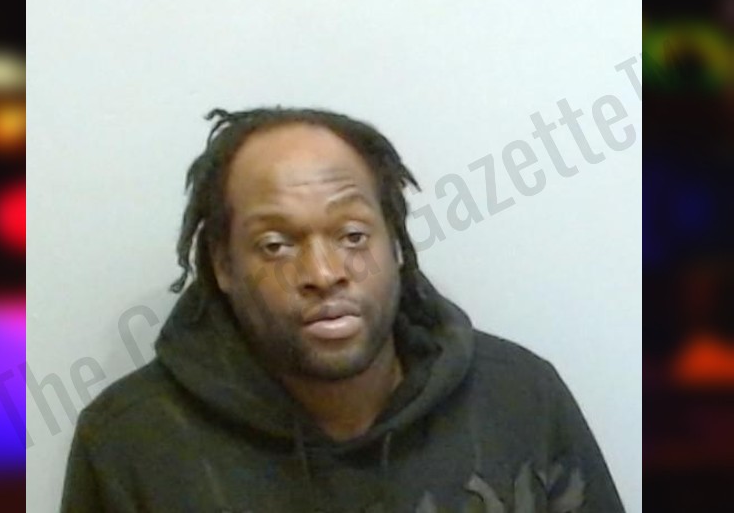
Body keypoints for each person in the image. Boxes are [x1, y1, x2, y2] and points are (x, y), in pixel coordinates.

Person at [61, 107, 625, 512]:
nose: (324, 272)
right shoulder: (131, 442)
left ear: (395, 243)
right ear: (222, 265)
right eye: (276, 245)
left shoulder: (520, 399)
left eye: (353, 235)